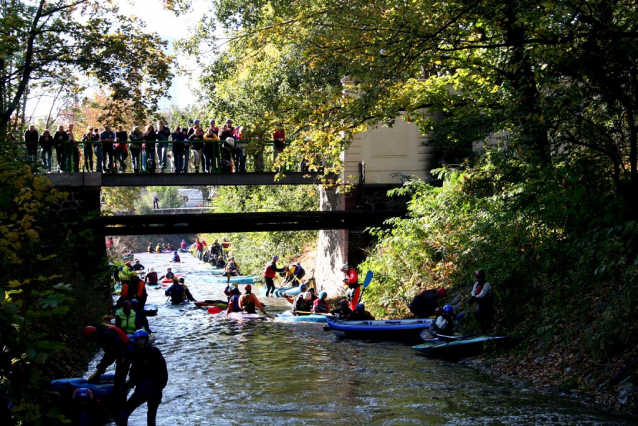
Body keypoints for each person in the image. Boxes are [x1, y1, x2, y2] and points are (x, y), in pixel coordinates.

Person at [118, 329, 167, 426]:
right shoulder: (137, 354)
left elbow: (163, 369)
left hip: (150, 388)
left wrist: (161, 385)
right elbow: (134, 373)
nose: (140, 341)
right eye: (138, 340)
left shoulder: (152, 352)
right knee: (131, 412)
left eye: (142, 339)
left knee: (149, 414)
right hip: (147, 387)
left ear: (146, 340)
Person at [83, 325, 131, 403]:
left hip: (125, 354)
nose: (92, 341)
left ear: (93, 335)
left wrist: (101, 368)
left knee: (119, 379)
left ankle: (121, 401)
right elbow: (109, 354)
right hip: (121, 353)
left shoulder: (106, 336)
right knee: (119, 378)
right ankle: (120, 398)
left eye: (91, 339)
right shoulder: (102, 335)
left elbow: (111, 355)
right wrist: (102, 366)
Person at [469, 269, 494, 334]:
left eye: (480, 277)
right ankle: (484, 331)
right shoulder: (476, 284)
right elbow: (473, 291)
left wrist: (474, 298)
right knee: (478, 315)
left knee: (488, 318)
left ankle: (490, 331)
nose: (479, 279)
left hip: (488, 304)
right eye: (478, 277)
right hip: (481, 304)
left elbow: (482, 294)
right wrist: (472, 296)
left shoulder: (487, 284)